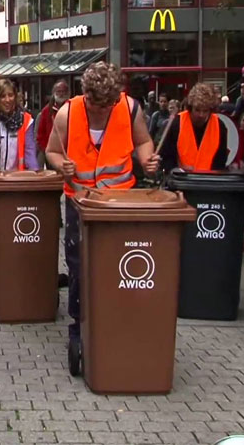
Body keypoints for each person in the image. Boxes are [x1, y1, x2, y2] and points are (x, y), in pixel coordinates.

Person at [45, 62, 159, 344]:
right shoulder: (67, 114)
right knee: (79, 263)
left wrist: (147, 159)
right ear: (86, 95)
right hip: (80, 201)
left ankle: (120, 315)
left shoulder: (130, 108)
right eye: (96, 105)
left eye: (108, 105)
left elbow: (143, 141)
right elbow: (51, 151)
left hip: (120, 201)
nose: (102, 111)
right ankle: (79, 323)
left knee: (117, 263)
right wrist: (62, 166)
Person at [160, 83, 229, 172]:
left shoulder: (220, 126)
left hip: (210, 180)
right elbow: (166, 157)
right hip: (180, 180)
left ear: (211, 109)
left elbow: (221, 160)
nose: (201, 115)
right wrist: (178, 170)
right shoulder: (176, 124)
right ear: (190, 107)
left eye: (205, 111)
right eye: (197, 110)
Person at [0, 79, 38, 177]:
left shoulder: (26, 120)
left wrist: (34, 174)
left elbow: (30, 150)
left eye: (10, 95)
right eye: (2, 96)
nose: (7, 100)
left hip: (18, 179)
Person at [35, 81, 70, 170]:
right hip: (50, 153)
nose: (61, 94)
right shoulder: (46, 111)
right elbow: (40, 134)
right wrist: (47, 150)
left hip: (69, 152)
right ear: (53, 93)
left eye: (63, 91)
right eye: (58, 91)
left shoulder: (73, 108)